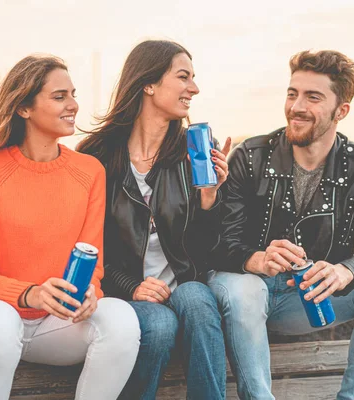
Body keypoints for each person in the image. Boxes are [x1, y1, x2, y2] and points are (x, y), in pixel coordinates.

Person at [208, 50, 354, 400]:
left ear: (341, 111)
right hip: (251, 296)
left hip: (308, 299)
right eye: (292, 93)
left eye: (312, 97)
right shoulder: (248, 155)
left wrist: (346, 271)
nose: (296, 106)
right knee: (246, 290)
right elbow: (217, 242)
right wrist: (257, 260)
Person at [0, 54, 140, 400]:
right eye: (59, 97)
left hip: (55, 326)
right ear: (24, 108)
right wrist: (31, 293)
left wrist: (90, 295)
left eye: (73, 94)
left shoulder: (89, 172)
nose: (73, 104)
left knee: (121, 319)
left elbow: (93, 261)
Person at [78, 40, 230, 400]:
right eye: (183, 77)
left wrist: (209, 200)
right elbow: (86, 244)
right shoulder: (95, 157)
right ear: (148, 84)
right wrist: (131, 286)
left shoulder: (194, 155)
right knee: (158, 325)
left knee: (195, 298)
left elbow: (208, 254)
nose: (194, 88)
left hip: (182, 288)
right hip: (120, 293)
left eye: (193, 78)